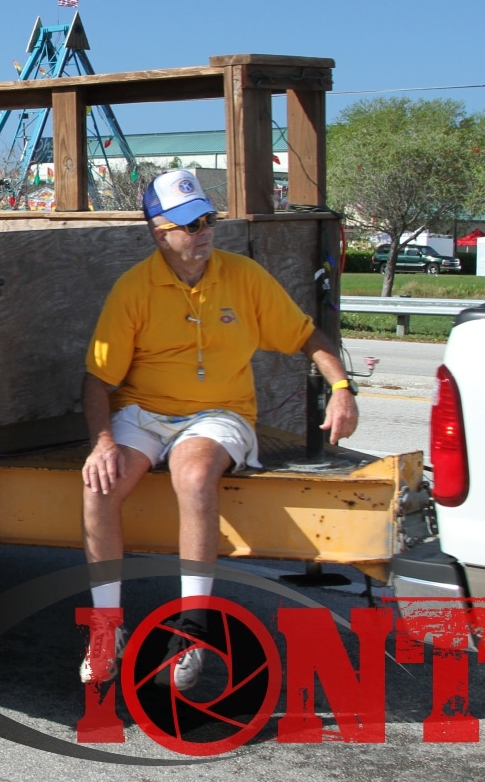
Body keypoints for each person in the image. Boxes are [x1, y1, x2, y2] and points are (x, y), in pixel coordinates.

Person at [79, 170, 358, 691]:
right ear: (159, 233)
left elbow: (307, 336)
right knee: (99, 486)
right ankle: (104, 630)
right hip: (144, 410)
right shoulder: (134, 288)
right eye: (190, 225)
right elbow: (97, 380)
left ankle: (192, 629)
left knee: (193, 474)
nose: (204, 232)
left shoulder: (244, 276)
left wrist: (342, 388)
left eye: (208, 219)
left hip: (218, 412)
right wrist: (103, 443)